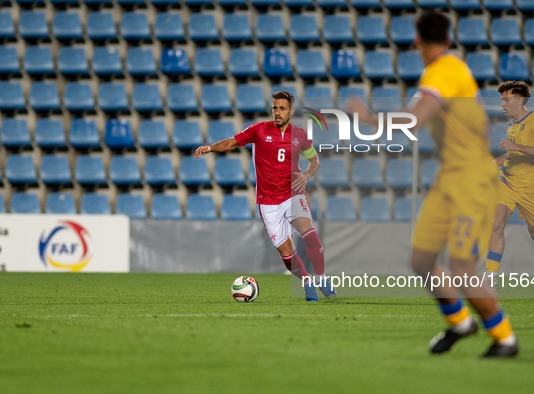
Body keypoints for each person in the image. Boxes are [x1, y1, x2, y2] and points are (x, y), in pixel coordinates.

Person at [346, 12, 517, 357]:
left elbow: (415, 120)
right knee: (421, 259)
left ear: (417, 41)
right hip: (449, 177)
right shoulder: (446, 71)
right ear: (449, 39)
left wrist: (366, 119)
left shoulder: (444, 71)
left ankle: (504, 338)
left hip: (471, 181)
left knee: (462, 268)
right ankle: (461, 323)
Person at [194, 91, 335, 302]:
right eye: (275, 108)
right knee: (288, 257)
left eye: (282, 108)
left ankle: (322, 279)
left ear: (291, 111)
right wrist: (210, 148)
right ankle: (307, 281)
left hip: (293, 194)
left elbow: (314, 162)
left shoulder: (300, 135)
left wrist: (305, 176)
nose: (277, 112)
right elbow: (232, 142)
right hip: (268, 202)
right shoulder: (259, 130)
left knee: (310, 235)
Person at [485, 81, 534, 291]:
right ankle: (491, 275)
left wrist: (515, 146)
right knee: (496, 225)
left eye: (506, 100)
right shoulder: (512, 125)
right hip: (507, 182)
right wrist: (494, 162)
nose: (502, 104)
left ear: (519, 100)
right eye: (501, 100)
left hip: (531, 189)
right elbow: (512, 155)